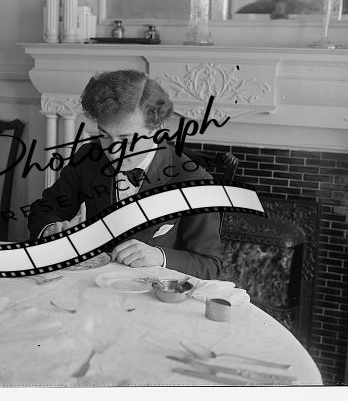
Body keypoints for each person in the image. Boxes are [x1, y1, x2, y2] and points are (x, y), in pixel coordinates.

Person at [27, 70, 222, 279]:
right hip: (89, 285)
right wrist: (51, 230)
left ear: (157, 128)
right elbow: (43, 211)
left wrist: (160, 256)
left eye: (127, 139)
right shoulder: (88, 158)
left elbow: (209, 266)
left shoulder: (195, 182)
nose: (113, 151)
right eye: (104, 135)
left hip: (152, 294)